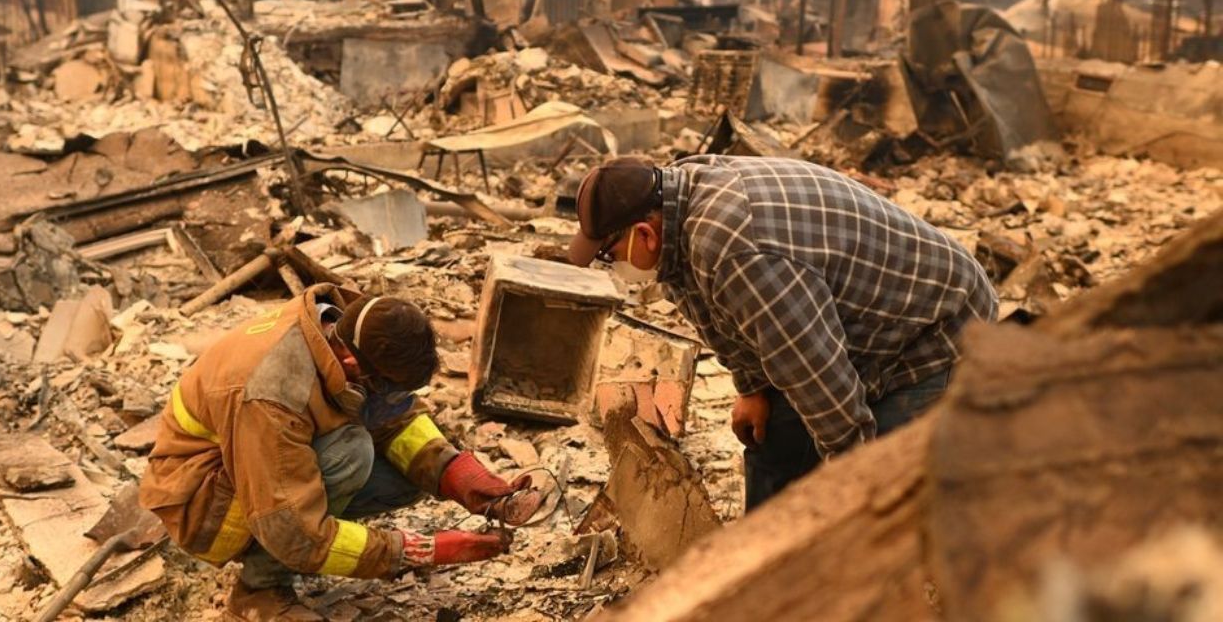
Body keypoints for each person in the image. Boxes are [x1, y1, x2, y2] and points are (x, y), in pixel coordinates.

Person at [567, 155, 997, 509]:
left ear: (644, 233)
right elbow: (711, 311)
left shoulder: (738, 252)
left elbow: (824, 382)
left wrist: (858, 486)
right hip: (858, 324)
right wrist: (752, 387)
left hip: (936, 328)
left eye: (608, 255)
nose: (610, 266)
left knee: (881, 484)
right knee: (773, 441)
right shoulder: (677, 209)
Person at [139, 286, 540, 621]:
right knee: (351, 453)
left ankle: (287, 560)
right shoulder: (273, 394)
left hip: (260, 468)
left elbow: (395, 418)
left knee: (406, 477)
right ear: (350, 362)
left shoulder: (351, 332)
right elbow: (291, 531)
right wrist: (421, 550)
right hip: (204, 502)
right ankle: (256, 593)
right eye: (387, 388)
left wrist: (465, 480)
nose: (393, 399)